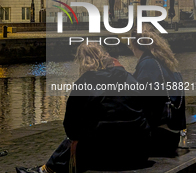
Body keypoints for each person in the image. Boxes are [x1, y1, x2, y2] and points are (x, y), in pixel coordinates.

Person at [16, 43, 151, 173]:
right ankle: (47, 169)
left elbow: (70, 126)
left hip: (104, 156)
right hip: (138, 150)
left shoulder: (85, 83)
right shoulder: (129, 78)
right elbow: (144, 108)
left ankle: (47, 170)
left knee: (77, 137)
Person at [130, 24, 186, 156]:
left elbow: (143, 103)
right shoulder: (166, 62)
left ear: (133, 44)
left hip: (158, 136)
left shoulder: (148, 64)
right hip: (173, 134)